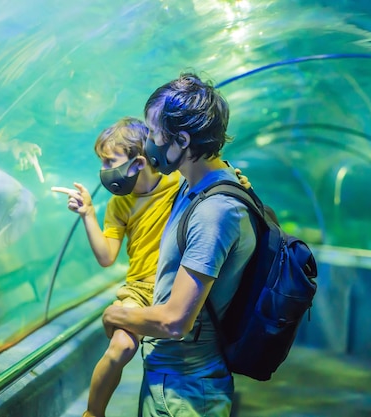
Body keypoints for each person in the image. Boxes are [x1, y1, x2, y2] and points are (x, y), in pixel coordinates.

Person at [101, 73, 257, 416]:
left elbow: (175, 321)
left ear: (182, 141)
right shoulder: (191, 185)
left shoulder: (213, 211)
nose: (149, 144)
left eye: (154, 134)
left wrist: (117, 313)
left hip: (185, 393)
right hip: (169, 378)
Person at [52, 116, 181, 417]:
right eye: (103, 163)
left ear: (138, 161)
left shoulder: (177, 182)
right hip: (139, 288)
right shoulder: (118, 205)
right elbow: (107, 256)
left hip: (177, 285)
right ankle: (92, 414)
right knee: (121, 348)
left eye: (110, 161)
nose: (105, 171)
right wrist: (88, 215)